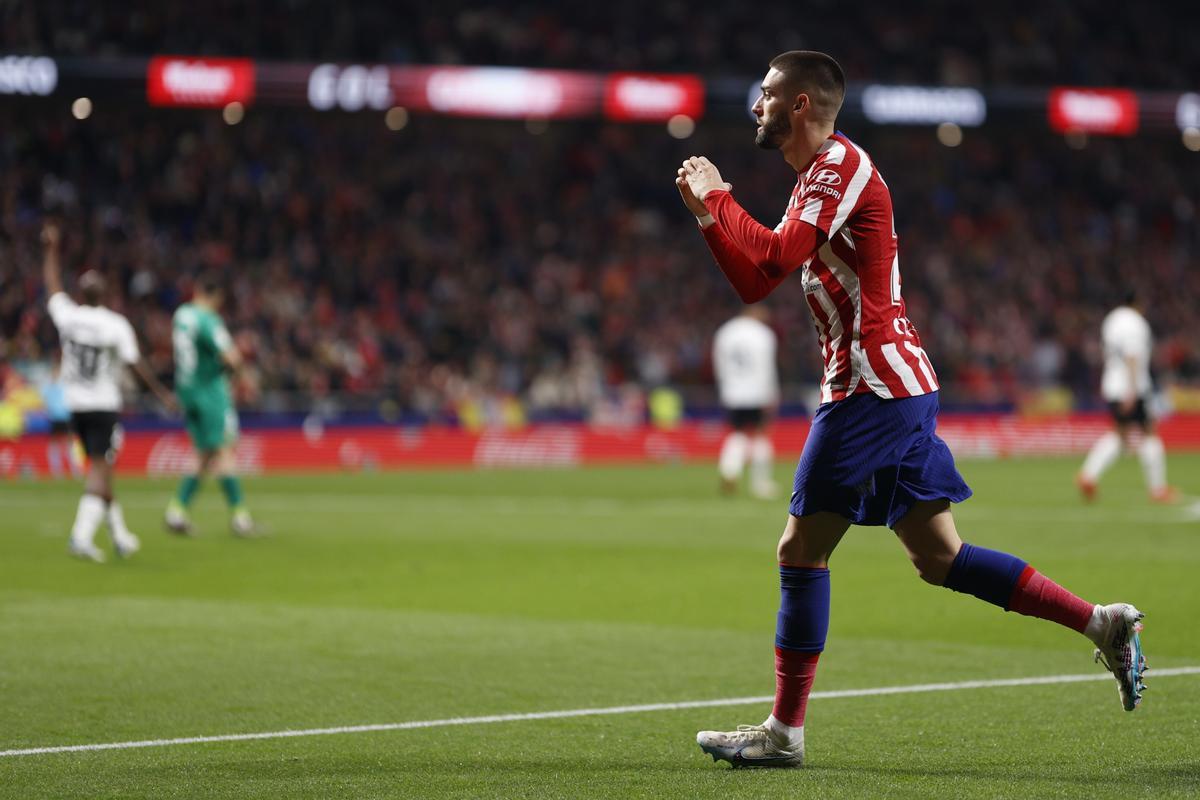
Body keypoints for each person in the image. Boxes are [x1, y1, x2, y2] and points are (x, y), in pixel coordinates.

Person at [674, 51, 1148, 768]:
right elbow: (752, 282)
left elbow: (772, 258)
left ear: (801, 105)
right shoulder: (815, 181)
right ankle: (1101, 623)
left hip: (870, 388)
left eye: (767, 93)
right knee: (939, 557)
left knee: (801, 551)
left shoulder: (837, 168)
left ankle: (784, 733)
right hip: (897, 388)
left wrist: (718, 197)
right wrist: (710, 221)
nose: (756, 104)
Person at [42, 221, 176, 562]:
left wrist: (50, 250)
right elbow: (135, 365)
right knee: (100, 470)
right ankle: (80, 536)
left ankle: (119, 534)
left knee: (103, 466)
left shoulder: (68, 316)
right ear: (104, 294)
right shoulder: (115, 324)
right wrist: (161, 394)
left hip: (75, 405)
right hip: (103, 404)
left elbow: (52, 285)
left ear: (81, 293)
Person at [164, 275, 256, 536]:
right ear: (215, 297)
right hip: (209, 391)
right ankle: (240, 517)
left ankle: (176, 511)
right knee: (225, 449)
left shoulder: (181, 315)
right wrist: (240, 379)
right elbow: (232, 357)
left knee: (203, 453)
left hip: (187, 390)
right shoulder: (208, 319)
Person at [1077, 291, 1175, 503]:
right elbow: (1132, 355)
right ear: (1138, 303)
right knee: (1149, 431)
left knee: (1119, 433)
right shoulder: (1135, 323)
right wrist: (1132, 389)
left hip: (1112, 383)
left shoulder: (1111, 320)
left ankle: (1088, 474)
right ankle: (1157, 489)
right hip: (1132, 386)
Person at [712, 305, 780, 498]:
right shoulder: (763, 334)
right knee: (760, 435)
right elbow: (766, 367)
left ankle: (729, 470)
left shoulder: (725, 332)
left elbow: (719, 364)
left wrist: (724, 389)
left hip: (732, 391)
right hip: (757, 391)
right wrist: (772, 394)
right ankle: (761, 483)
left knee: (737, 433)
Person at [40, 360, 82, 479]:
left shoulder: (65, 386)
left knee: (70, 444)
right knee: (55, 445)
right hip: (54, 419)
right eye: (54, 372)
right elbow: (44, 403)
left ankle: (75, 470)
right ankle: (57, 471)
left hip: (66, 418)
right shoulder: (47, 388)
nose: (56, 374)